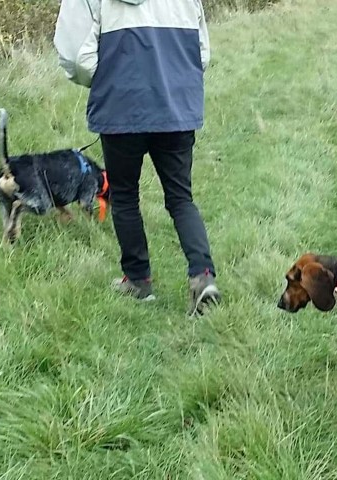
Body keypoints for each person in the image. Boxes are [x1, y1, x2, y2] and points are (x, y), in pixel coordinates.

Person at [54, 0, 221, 315]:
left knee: (126, 197)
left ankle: (138, 281)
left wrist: (110, 76)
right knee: (180, 198)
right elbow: (201, 55)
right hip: (176, 106)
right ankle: (203, 275)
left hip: (120, 105)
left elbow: (77, 58)